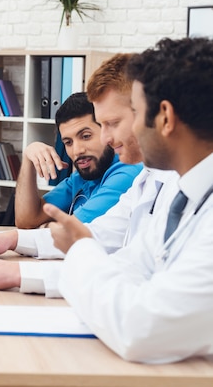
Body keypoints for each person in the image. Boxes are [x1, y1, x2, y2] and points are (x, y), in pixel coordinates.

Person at [44, 37, 213, 364]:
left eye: (135, 112)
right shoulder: (184, 192)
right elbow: (134, 267)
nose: (112, 137)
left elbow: (142, 330)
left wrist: (80, 249)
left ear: (165, 116)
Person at [0, 53, 177, 296]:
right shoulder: (148, 178)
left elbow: (128, 271)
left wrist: (20, 272)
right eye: (68, 141)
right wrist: (15, 239)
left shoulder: (135, 172)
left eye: (111, 124)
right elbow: (95, 235)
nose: (106, 139)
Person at [15, 91, 141, 229]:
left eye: (86, 136)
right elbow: (26, 221)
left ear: (106, 131)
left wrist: (45, 227)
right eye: (68, 142)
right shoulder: (82, 177)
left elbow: (70, 230)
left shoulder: (129, 171)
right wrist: (28, 158)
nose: (77, 150)